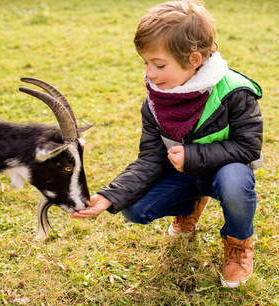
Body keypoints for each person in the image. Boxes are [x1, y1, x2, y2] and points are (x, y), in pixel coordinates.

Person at [72, 0, 263, 288]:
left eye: (159, 64)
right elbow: (150, 158)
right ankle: (189, 208)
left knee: (235, 182)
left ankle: (238, 244)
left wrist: (192, 155)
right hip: (184, 174)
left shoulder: (235, 92)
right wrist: (110, 196)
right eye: (146, 63)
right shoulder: (154, 102)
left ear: (194, 60)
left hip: (225, 172)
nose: (150, 73)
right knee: (134, 209)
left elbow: (248, 148)